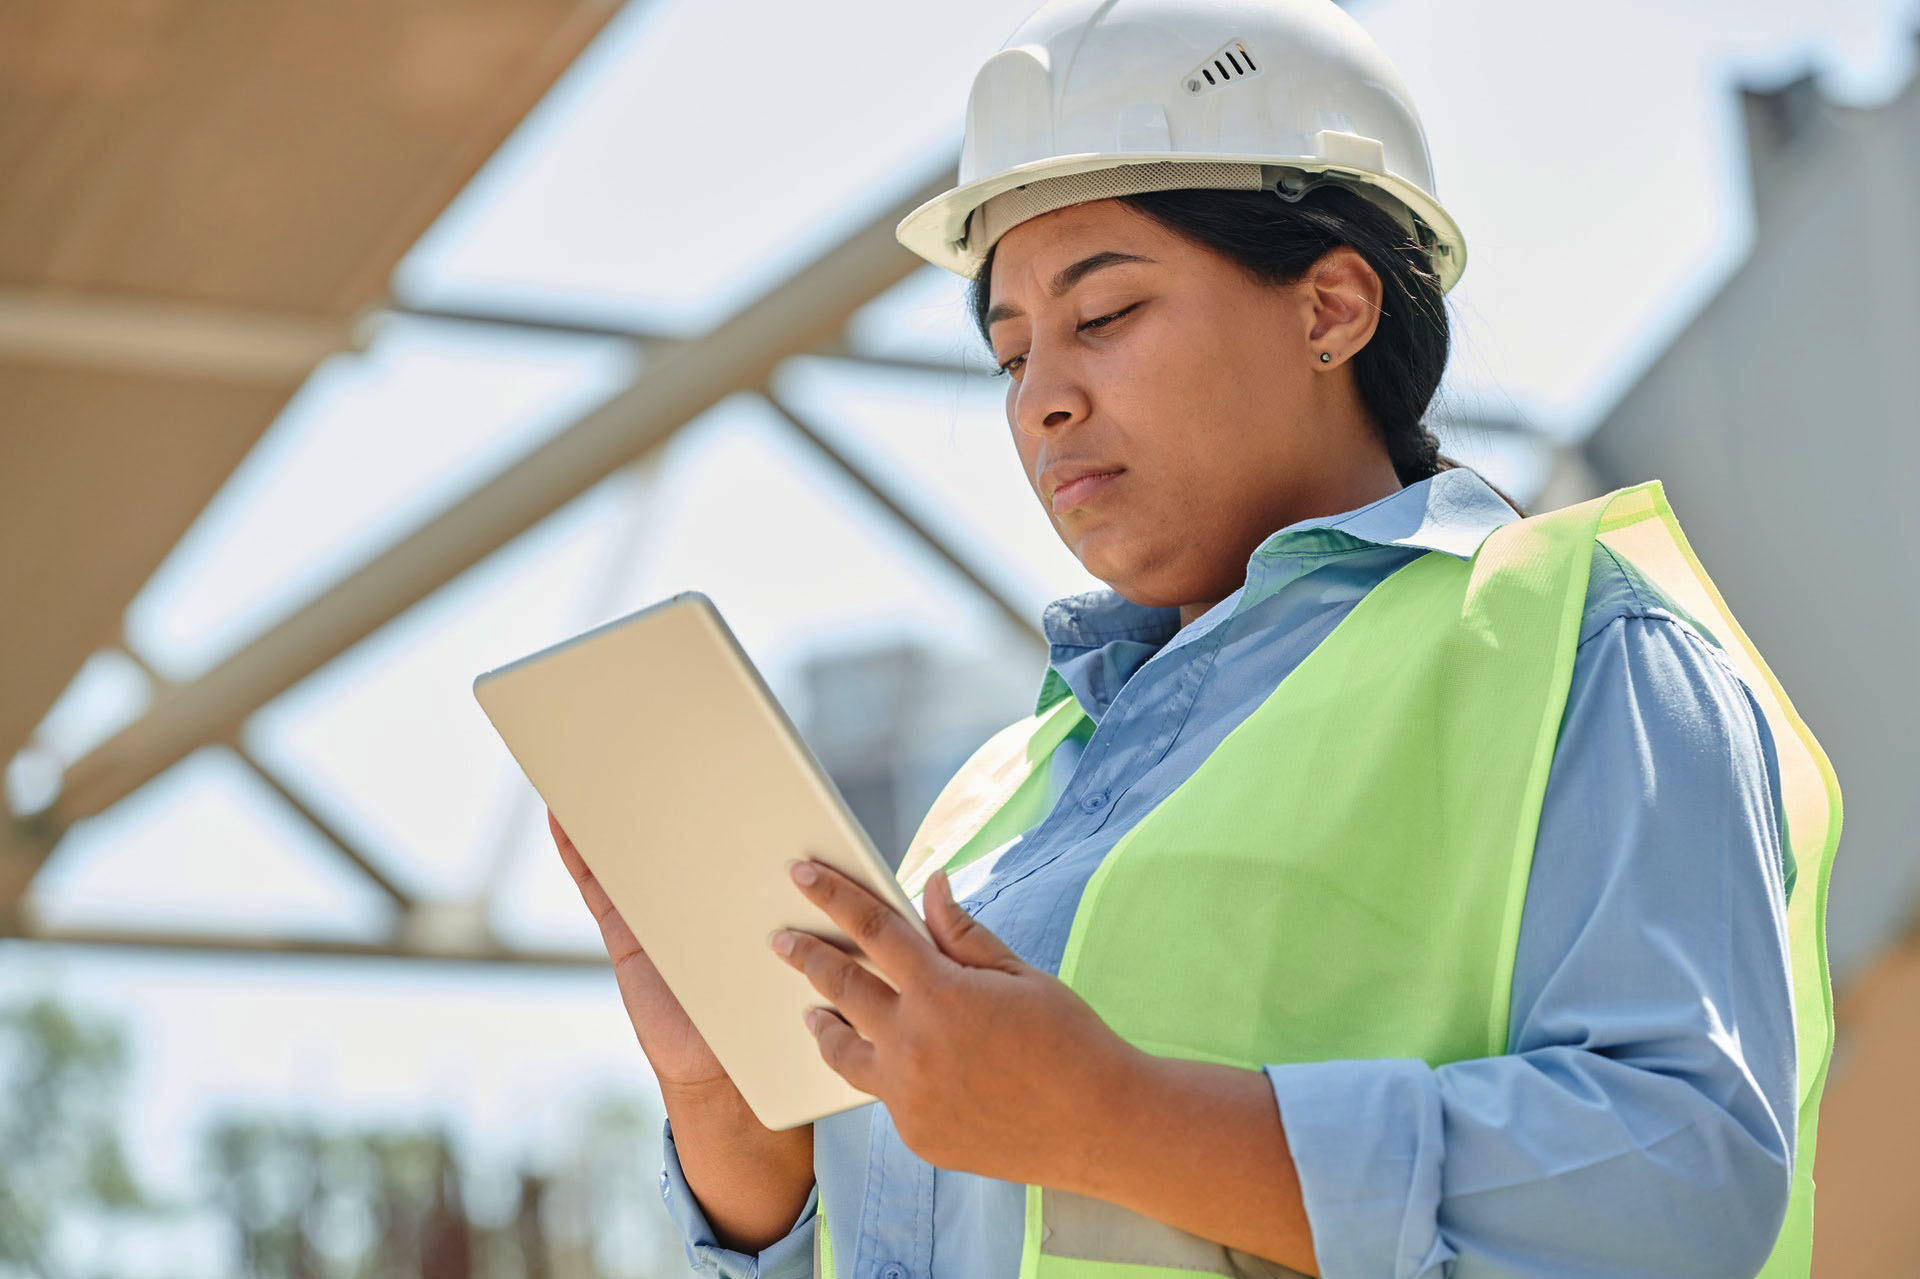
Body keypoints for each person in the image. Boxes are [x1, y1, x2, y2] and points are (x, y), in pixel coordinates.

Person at [550, 1, 1842, 1275]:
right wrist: (732, 1116)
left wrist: (1119, 1121)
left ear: (1332, 308)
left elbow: (1683, 1184)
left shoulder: (1582, 652)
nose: (1046, 399)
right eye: (1010, 357)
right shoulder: (989, 812)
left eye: (1102, 317)